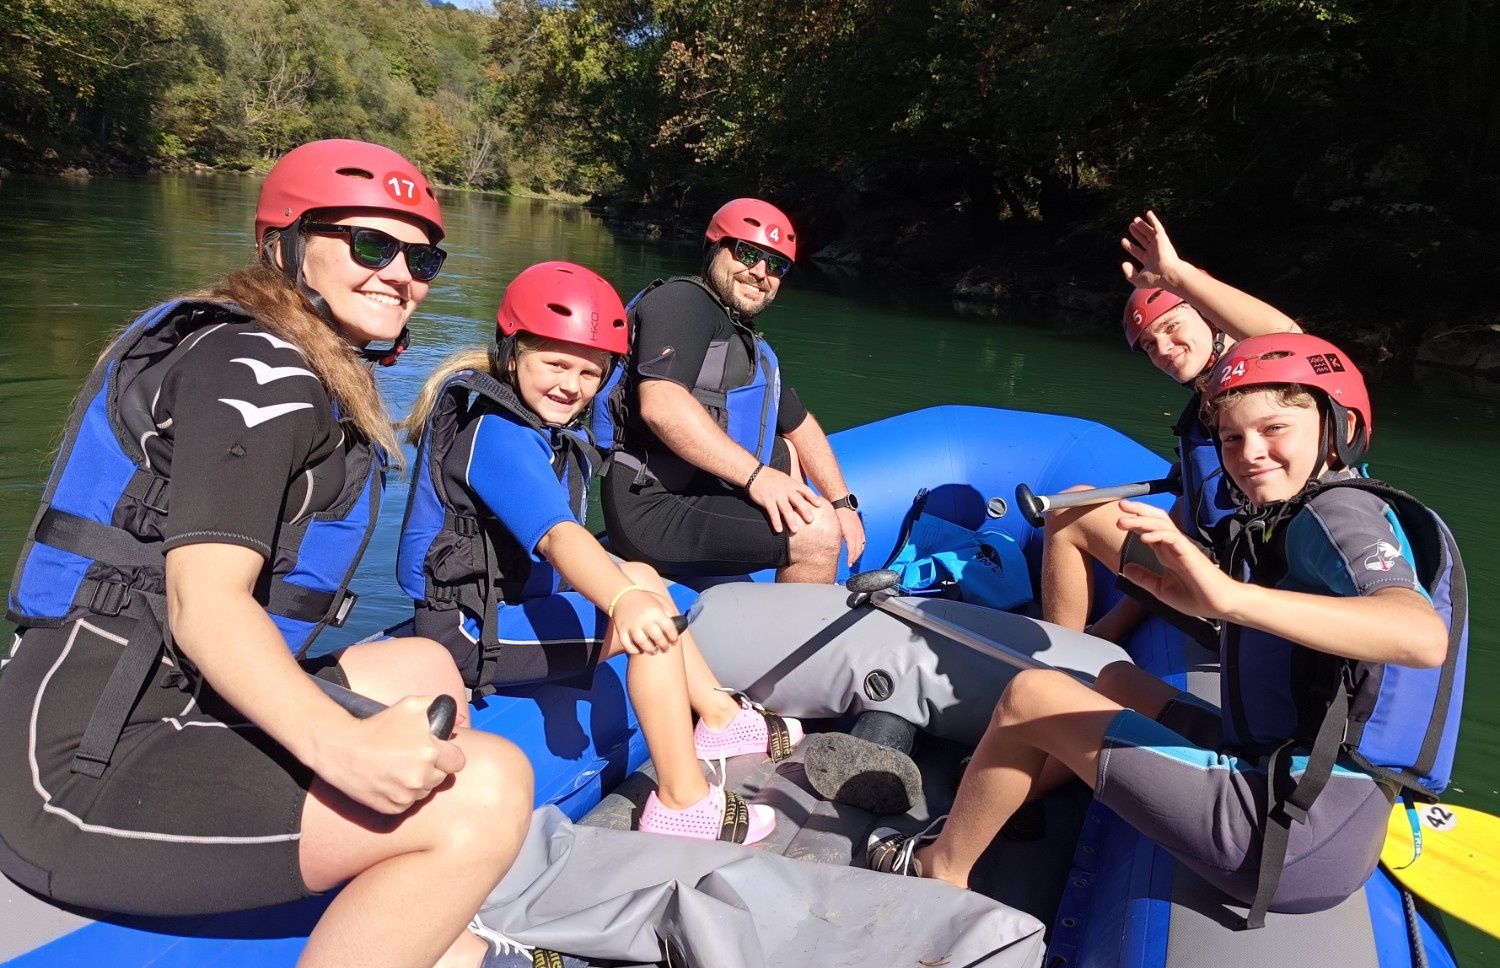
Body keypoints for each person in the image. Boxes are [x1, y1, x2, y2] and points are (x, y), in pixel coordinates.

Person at [0, 140, 539, 968]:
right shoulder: (256, 369)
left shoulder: (278, 358)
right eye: (369, 244)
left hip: (174, 696)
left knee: (425, 669)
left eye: (421, 256)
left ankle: (423, 932)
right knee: (487, 791)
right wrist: (341, 747)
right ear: (284, 244)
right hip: (72, 771)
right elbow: (203, 604)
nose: (400, 273)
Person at [867, 333, 1467, 930]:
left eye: (1274, 429)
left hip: (1288, 839)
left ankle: (940, 865)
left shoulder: (1336, 514)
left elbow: (1419, 634)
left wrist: (1232, 599)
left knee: (1032, 695)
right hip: (1292, 785)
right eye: (1231, 438)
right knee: (1118, 680)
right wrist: (1211, 597)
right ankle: (1009, 793)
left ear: (1336, 431)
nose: (1249, 452)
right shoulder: (1312, 508)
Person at [398, 260, 804, 845]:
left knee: (640, 572)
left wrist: (630, 583)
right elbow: (559, 536)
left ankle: (718, 718)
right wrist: (624, 602)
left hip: (499, 600)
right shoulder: (499, 435)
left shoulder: (529, 421)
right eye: (555, 364)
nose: (572, 385)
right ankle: (681, 801)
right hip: (466, 632)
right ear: (512, 353)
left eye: (592, 373)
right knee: (652, 619)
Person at [1041, 211, 1302, 643]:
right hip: (1220, 578)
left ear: (1209, 317)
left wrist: (1178, 276)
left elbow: (1288, 340)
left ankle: (1057, 656)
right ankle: (1088, 641)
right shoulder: (1204, 404)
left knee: (1070, 509)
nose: (1162, 350)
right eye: (1149, 346)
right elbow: (1194, 517)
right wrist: (1111, 628)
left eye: (1172, 327)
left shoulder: (1264, 388)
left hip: (1244, 597)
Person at [597, 198, 865, 583]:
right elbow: (662, 405)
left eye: (776, 265)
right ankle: (795, 638)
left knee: (786, 450)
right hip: (653, 507)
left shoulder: (743, 339)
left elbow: (800, 424)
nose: (760, 272)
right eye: (747, 253)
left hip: (704, 487)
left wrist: (843, 504)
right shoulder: (682, 303)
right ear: (713, 248)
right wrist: (758, 478)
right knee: (817, 532)